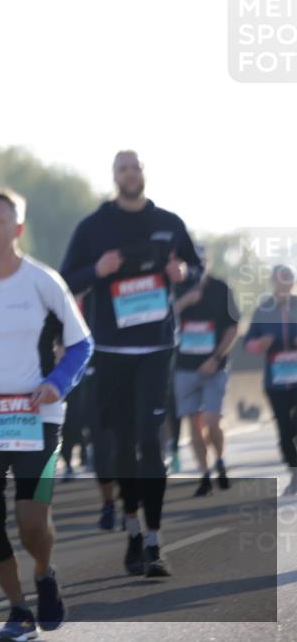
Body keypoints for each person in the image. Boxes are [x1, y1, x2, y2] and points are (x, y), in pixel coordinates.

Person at [0, 188, 92, 641]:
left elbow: (81, 343)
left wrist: (58, 382)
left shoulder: (43, 281)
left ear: (17, 229)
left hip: (39, 414)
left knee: (32, 520)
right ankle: (17, 610)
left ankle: (43, 570)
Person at [60, 150, 202, 578]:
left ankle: (154, 543)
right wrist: (97, 270)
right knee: (120, 446)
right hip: (111, 350)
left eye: (135, 167)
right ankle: (132, 531)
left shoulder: (168, 223)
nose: (130, 173)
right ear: (114, 176)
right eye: (123, 168)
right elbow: (67, 280)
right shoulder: (94, 227)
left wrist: (183, 274)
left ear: (144, 174)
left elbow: (195, 268)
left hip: (156, 348)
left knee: (149, 443)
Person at [172, 246, 239, 496]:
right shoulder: (176, 287)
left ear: (209, 262)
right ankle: (204, 474)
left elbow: (233, 327)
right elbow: (161, 318)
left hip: (214, 366)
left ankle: (220, 461)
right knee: (193, 422)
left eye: (202, 260)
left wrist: (216, 357)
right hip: (184, 367)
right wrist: (184, 301)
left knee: (212, 421)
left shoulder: (221, 288)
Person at [244, 264, 297, 496]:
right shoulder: (263, 310)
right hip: (276, 383)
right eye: (277, 280)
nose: (281, 284)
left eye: (286, 280)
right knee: (285, 432)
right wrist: (260, 344)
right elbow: (248, 343)